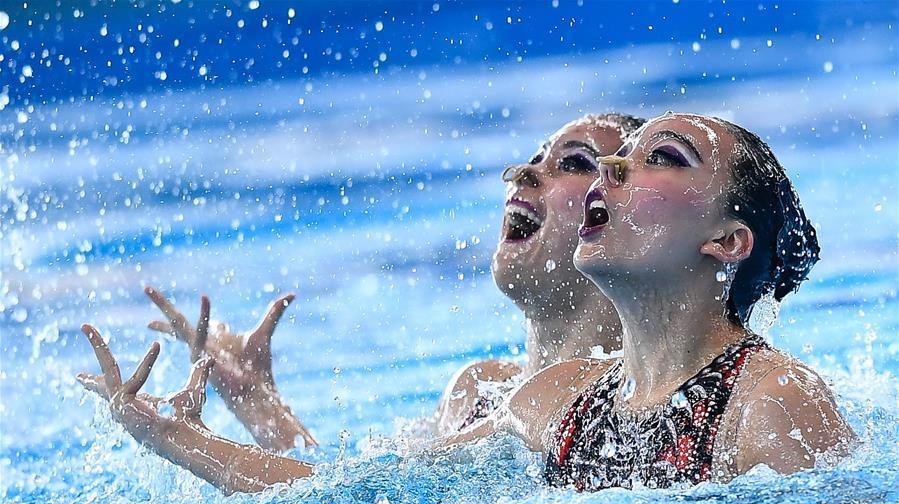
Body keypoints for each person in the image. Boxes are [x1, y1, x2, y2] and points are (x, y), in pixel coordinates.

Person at [79, 112, 856, 494]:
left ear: (725, 241)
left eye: (661, 158)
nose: (607, 175)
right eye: (609, 162)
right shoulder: (551, 400)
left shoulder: (770, 402)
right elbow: (353, 502)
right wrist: (173, 437)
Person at [118, 113, 644, 453]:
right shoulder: (476, 390)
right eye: (533, 159)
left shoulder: (629, 398)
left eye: (572, 164)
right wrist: (262, 406)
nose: (521, 174)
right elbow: (357, 499)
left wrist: (183, 442)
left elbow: (345, 500)